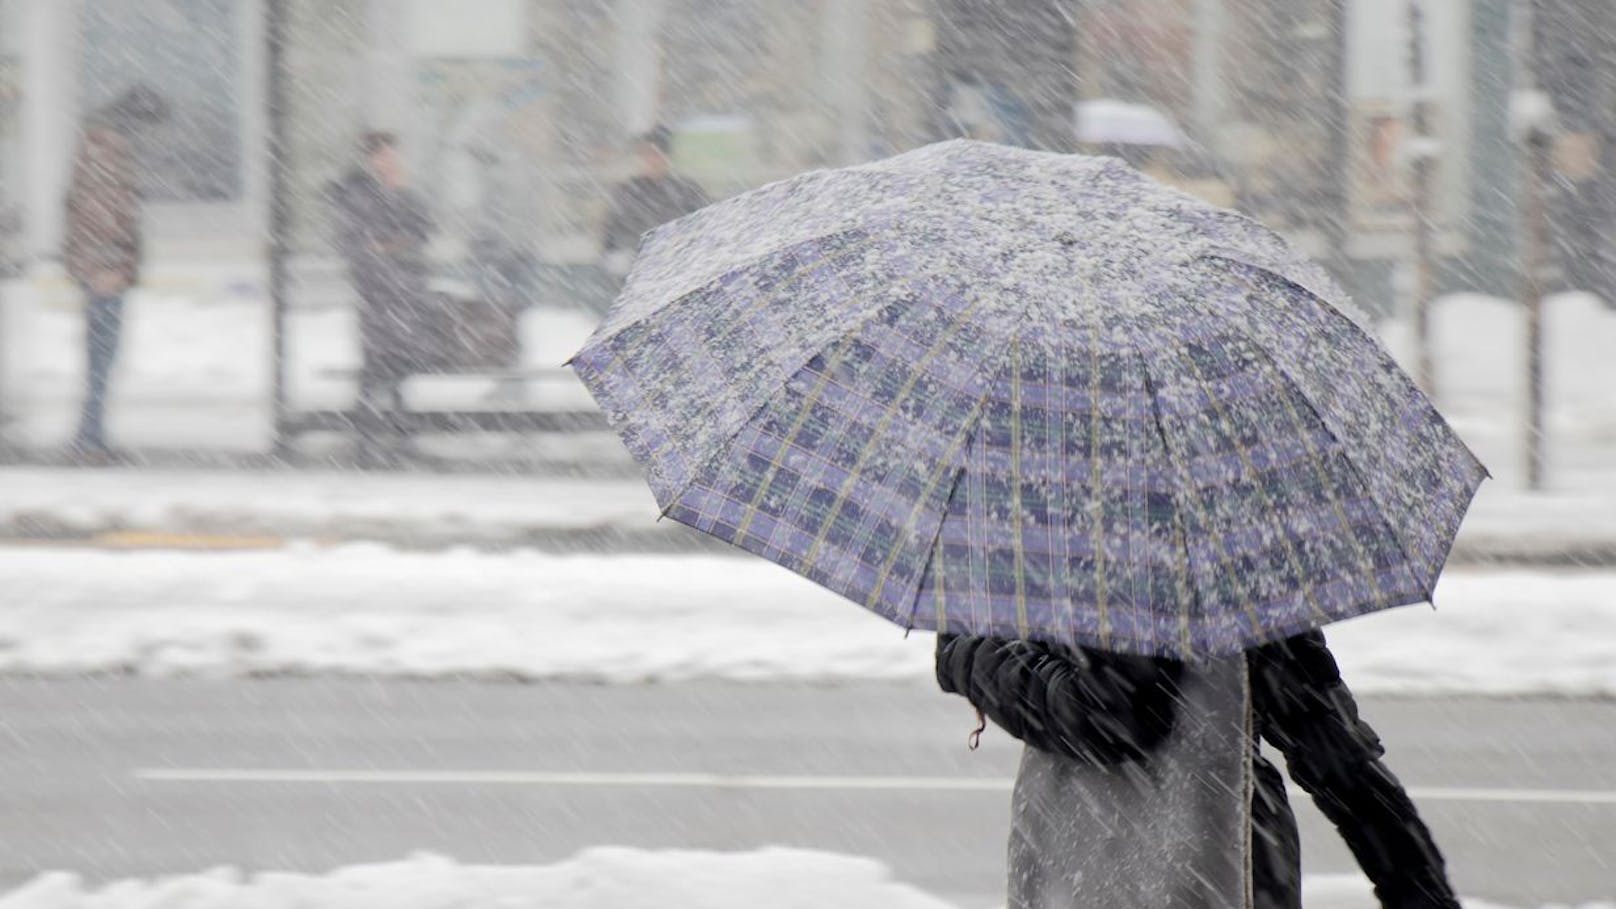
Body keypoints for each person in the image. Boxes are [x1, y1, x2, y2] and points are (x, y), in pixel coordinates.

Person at [936, 629, 1463, 909]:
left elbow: (1111, 714)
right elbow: (1332, 749)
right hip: (1231, 863)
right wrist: (1417, 886)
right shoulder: (1231, 550)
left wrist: (968, 653)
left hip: (1100, 868)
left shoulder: (1050, 548)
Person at [62, 85, 169, 462]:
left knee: (102, 358)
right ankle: (89, 440)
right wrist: (105, 266)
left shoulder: (103, 146)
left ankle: (92, 437)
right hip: (105, 272)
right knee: (102, 357)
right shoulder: (106, 150)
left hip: (105, 268)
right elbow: (98, 215)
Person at [328, 131, 435, 468]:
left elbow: (422, 230)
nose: (390, 162)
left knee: (400, 363)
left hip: (403, 292)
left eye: (393, 155)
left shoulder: (402, 192)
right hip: (378, 293)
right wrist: (390, 248)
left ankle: (399, 433)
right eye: (384, 156)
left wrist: (394, 242)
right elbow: (361, 242)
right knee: (376, 365)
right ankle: (369, 436)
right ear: (371, 159)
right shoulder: (361, 196)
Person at [601, 125, 709, 282]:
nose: (651, 160)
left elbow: (702, 229)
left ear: (666, 156)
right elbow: (612, 235)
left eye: (656, 154)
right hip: (636, 272)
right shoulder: (627, 192)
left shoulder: (687, 191)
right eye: (646, 154)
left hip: (678, 269)